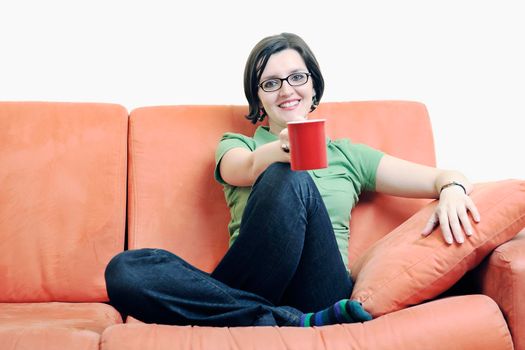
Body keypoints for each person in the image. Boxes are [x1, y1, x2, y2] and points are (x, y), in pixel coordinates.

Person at [104, 32, 481, 328]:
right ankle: (278, 320)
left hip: (320, 289)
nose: (286, 90)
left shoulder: (349, 154)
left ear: (313, 85)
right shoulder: (237, 145)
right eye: (270, 83)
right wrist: (280, 151)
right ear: (258, 97)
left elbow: (444, 176)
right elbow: (246, 169)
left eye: (296, 77)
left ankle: (249, 316)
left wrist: (452, 189)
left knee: (294, 181)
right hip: (246, 282)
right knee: (124, 270)